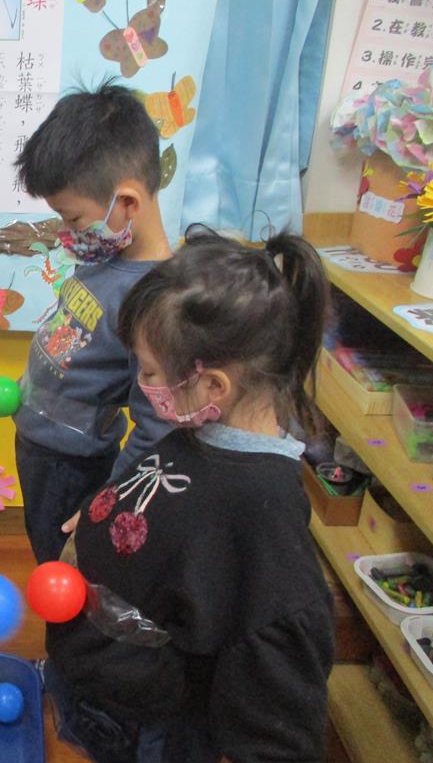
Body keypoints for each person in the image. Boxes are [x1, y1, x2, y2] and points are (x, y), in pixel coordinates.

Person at [43, 228, 335, 763]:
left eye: (149, 371)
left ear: (213, 385)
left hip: (143, 722)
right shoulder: (201, 427)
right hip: (101, 676)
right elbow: (172, 494)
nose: (142, 383)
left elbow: (281, 663)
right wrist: (104, 509)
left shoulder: (260, 508)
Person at [12, 80, 174, 564]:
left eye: (74, 219)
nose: (68, 233)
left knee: (65, 570)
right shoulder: (105, 258)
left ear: (127, 203)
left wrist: (108, 499)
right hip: (42, 446)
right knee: (45, 545)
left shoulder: (155, 301)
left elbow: (154, 425)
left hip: (75, 466)